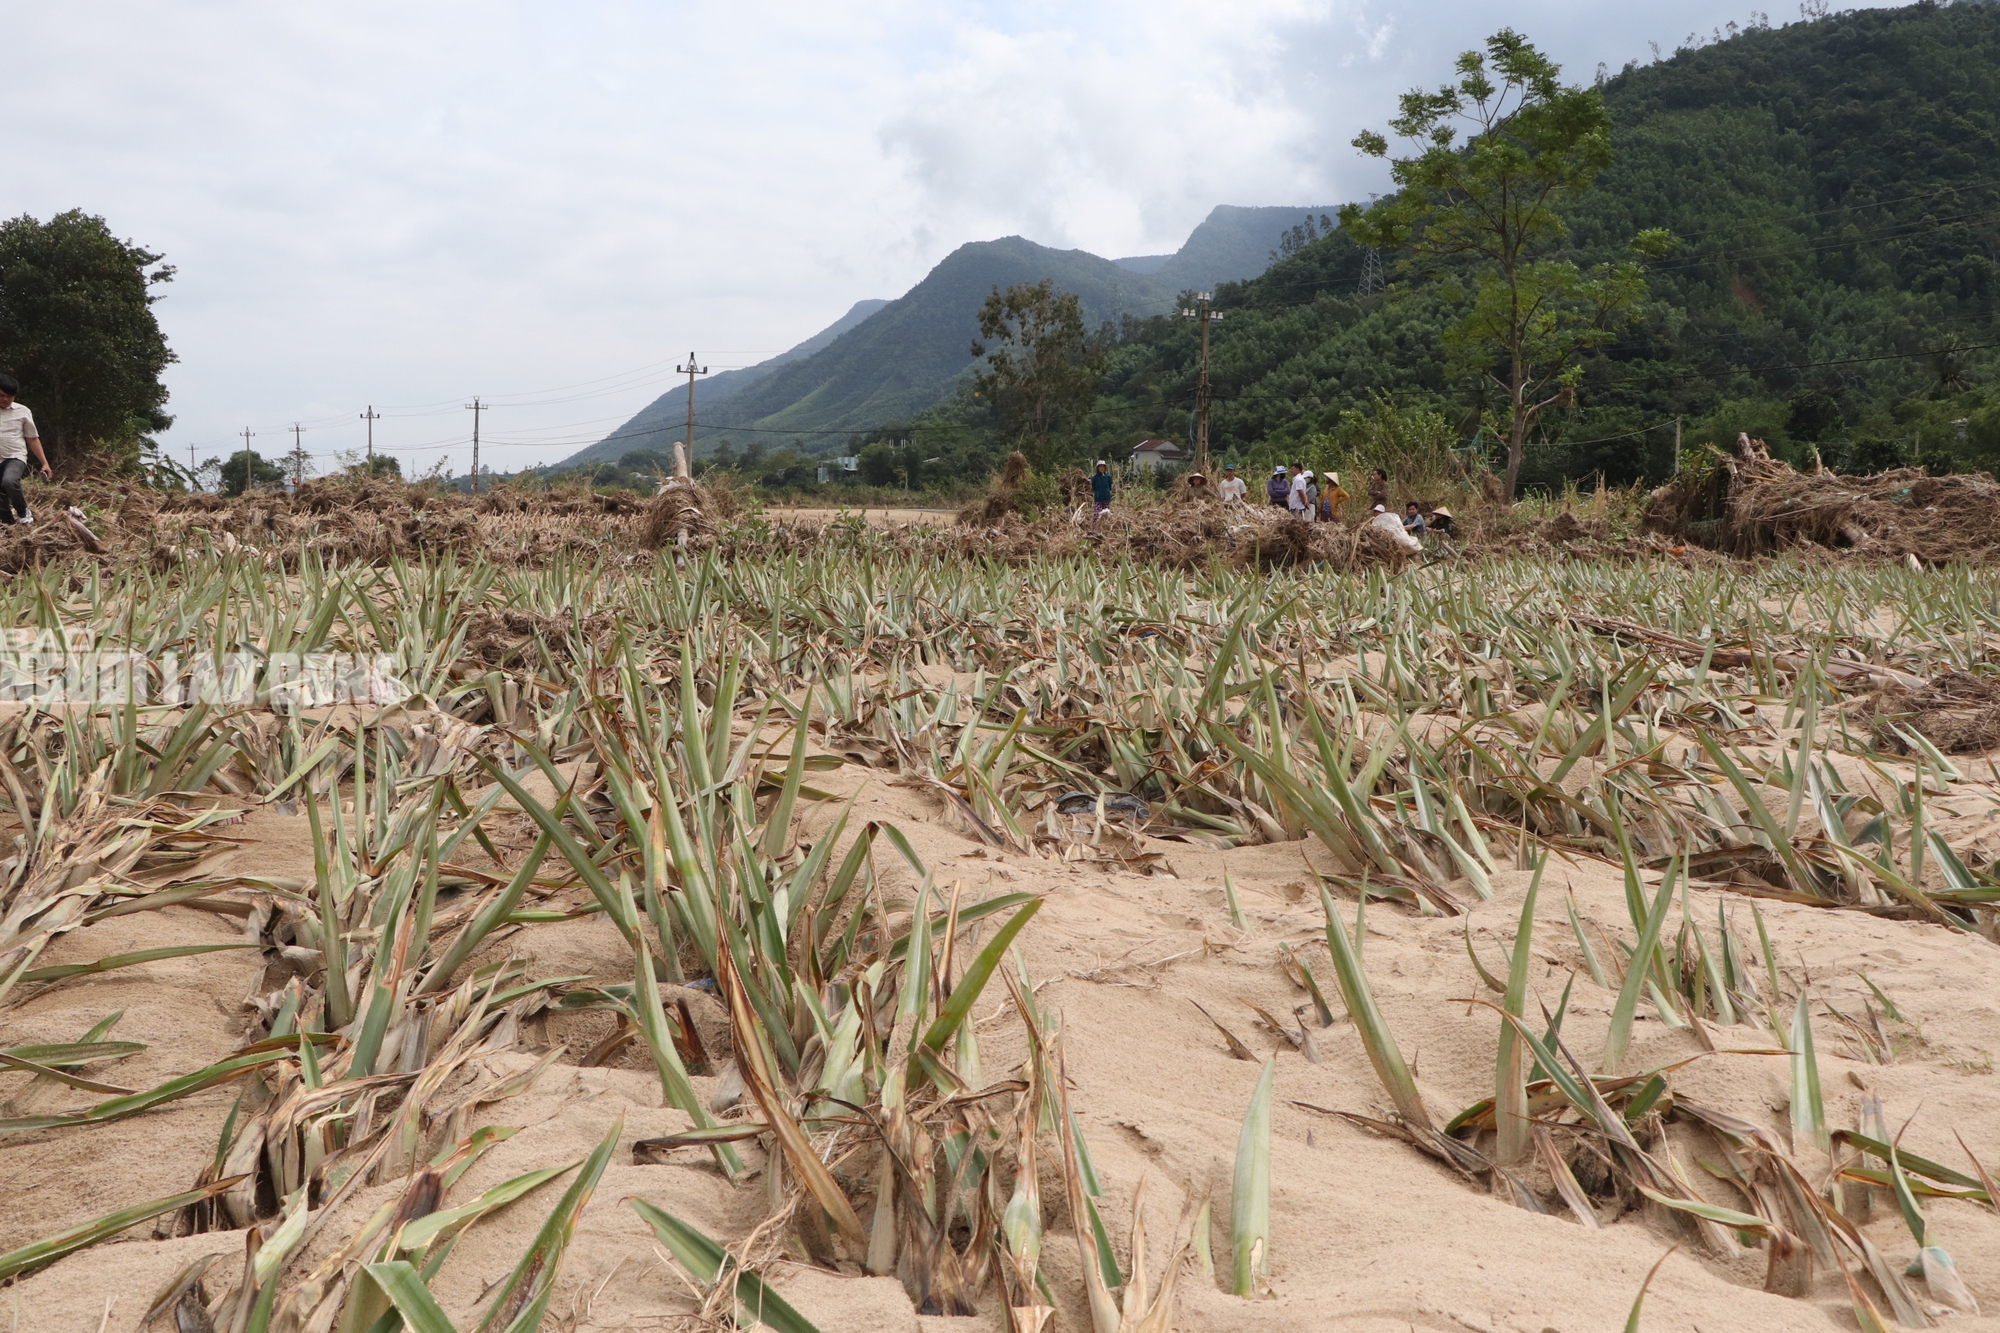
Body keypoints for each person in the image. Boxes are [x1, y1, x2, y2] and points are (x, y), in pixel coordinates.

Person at [0, 375, 50, 525]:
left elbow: (32, 438)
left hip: (15, 456)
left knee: (9, 481)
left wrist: (44, 463)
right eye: (2, 396)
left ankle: (22, 511)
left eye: (9, 396)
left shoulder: (22, 411)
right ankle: (7, 525)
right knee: (1, 495)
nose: (5, 400)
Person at [1090, 459, 1113, 529]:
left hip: (1106, 498)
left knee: (1106, 514)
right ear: (1098, 468)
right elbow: (1093, 488)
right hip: (1098, 499)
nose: (1102, 468)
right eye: (1100, 467)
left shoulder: (1108, 477)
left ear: (1105, 468)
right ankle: (1094, 529)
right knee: (1096, 514)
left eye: (1103, 466)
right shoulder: (1094, 478)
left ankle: (1105, 528)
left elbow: (1110, 486)